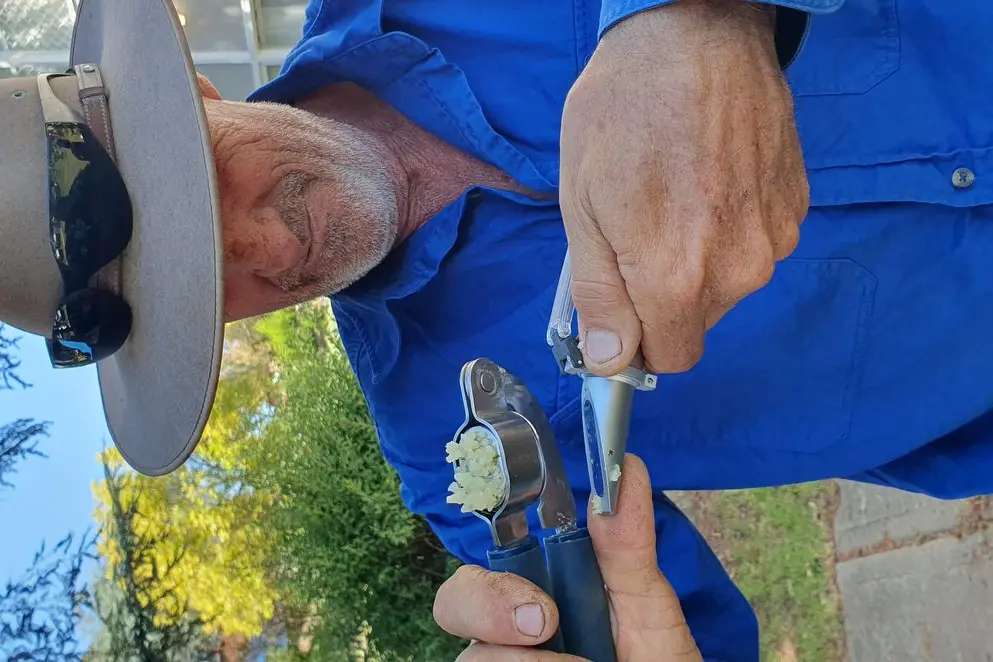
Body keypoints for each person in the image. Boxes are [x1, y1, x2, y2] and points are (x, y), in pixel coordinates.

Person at [1, 0, 992, 659]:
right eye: (210, 293)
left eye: (206, 193)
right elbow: (651, 628)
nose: (269, 244)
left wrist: (681, 13)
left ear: (200, 99)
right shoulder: (459, 453)